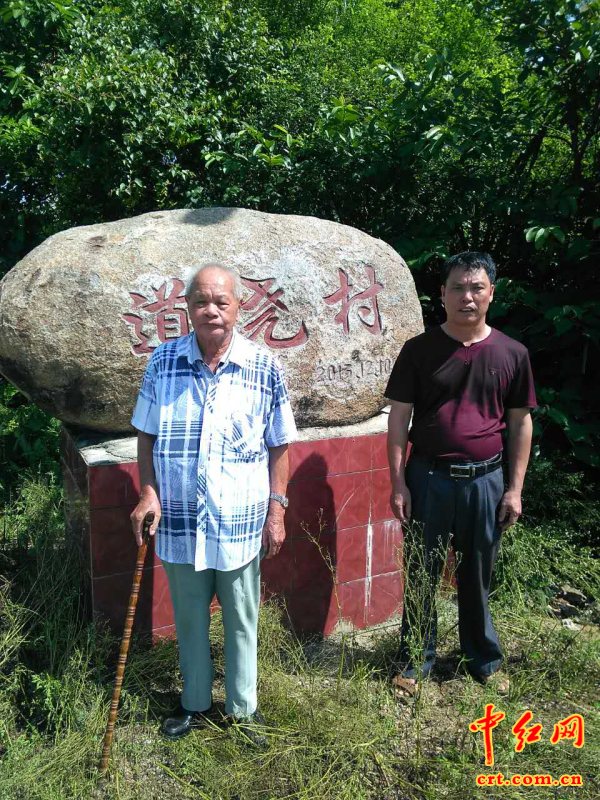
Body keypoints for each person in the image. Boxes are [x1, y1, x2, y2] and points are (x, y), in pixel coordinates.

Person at [130, 263, 297, 745]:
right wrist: (148, 490)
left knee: (242, 620)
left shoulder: (262, 367)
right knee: (189, 619)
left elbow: (280, 443)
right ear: (187, 308)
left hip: (239, 522)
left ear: (239, 307)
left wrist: (277, 508)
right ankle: (195, 704)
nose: (211, 311)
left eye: (221, 302)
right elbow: (146, 432)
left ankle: (243, 712)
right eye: (201, 301)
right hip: (179, 521)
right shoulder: (163, 362)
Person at [385, 252, 536, 694]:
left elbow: (520, 422)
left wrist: (515, 489)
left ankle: (483, 659)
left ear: (491, 292)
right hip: (428, 478)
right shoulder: (419, 350)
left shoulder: (513, 353)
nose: (466, 297)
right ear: (442, 294)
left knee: (477, 575)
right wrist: (398, 483)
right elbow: (399, 418)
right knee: (422, 573)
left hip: (486, 481)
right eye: (457, 287)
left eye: (476, 288)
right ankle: (414, 661)